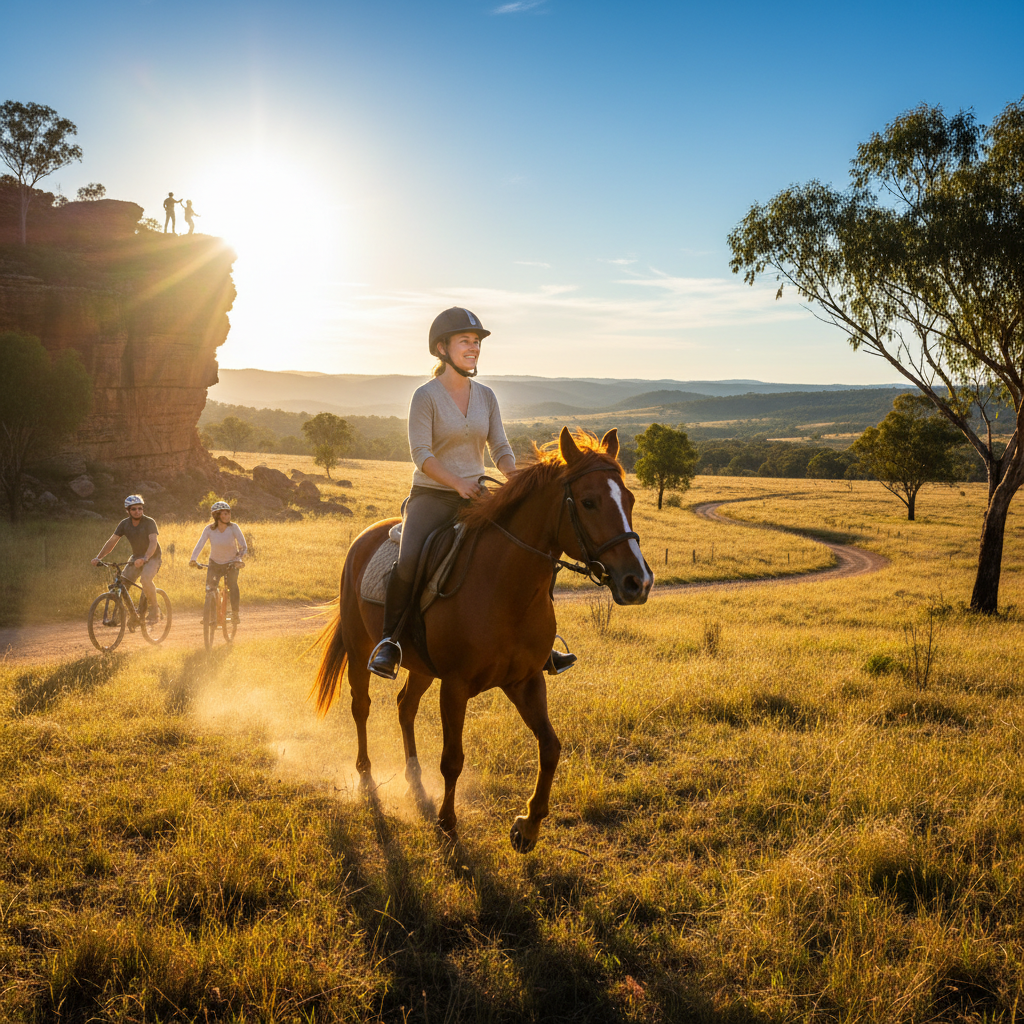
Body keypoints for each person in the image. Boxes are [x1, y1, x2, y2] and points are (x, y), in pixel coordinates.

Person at [367, 307, 577, 680]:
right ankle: (390, 642)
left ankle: (540, 645)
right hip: (432, 496)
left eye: (477, 342)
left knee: (534, 547)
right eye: (465, 341)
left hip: (478, 495)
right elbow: (421, 454)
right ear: (442, 348)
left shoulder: (486, 396)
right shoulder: (425, 396)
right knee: (411, 557)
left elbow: (500, 447)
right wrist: (457, 482)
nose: (474, 347)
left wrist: (515, 477)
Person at [91, 495, 162, 623]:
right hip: (135, 557)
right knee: (122, 583)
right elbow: (112, 542)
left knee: (145, 580)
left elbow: (153, 542)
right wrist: (98, 557)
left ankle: (154, 611)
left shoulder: (149, 522)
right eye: (134, 509)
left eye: (140, 508)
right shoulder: (124, 524)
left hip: (152, 557)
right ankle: (126, 615)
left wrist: (145, 558)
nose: (137, 511)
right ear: (128, 510)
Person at [190, 500, 247, 624]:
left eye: (228, 513)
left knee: (233, 586)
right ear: (216, 516)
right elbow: (200, 544)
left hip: (231, 563)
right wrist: (193, 559)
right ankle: (210, 616)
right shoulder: (209, 529)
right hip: (214, 563)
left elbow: (243, 546)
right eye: (224, 514)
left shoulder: (233, 527)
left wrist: (238, 558)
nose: (227, 516)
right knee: (210, 589)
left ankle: (235, 614)